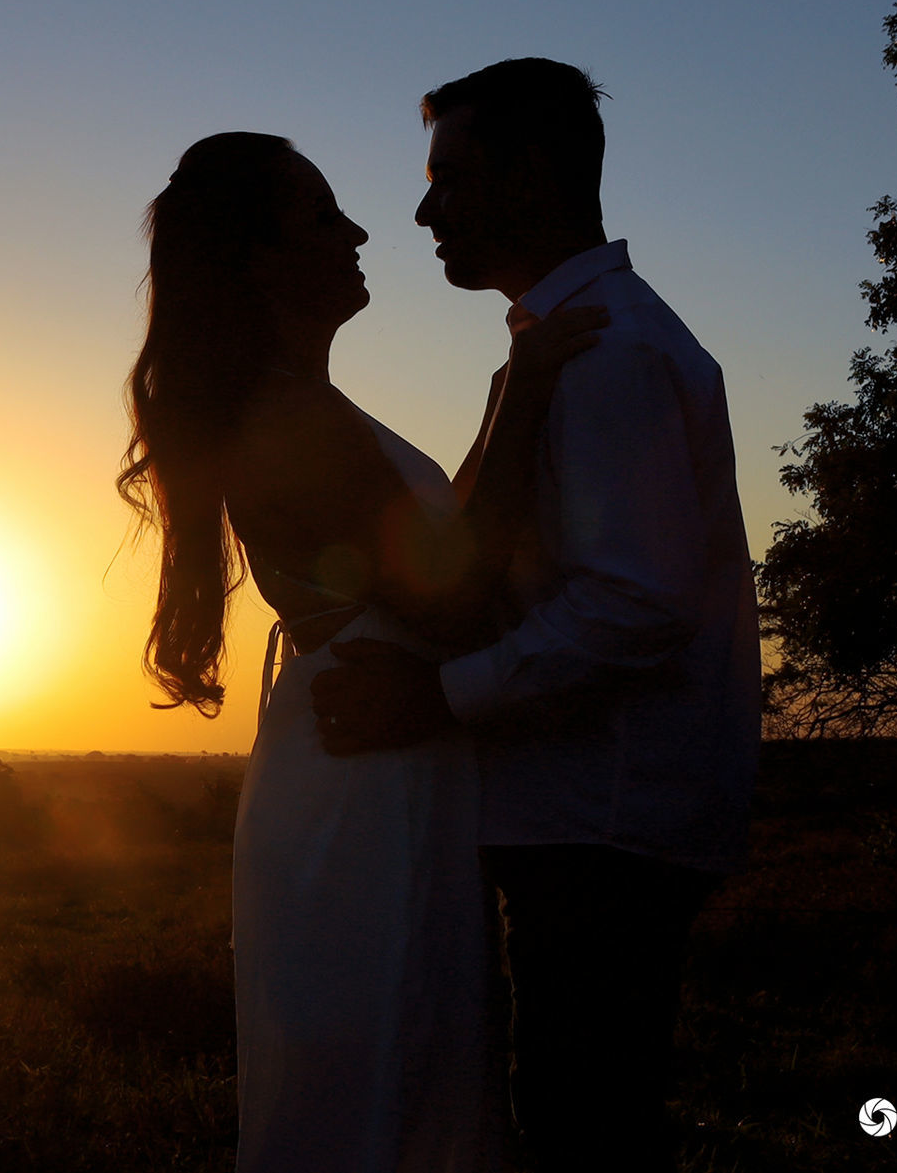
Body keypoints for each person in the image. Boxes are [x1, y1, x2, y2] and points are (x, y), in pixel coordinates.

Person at [118, 131, 604, 1172]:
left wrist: (510, 396)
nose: (360, 233)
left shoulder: (310, 408)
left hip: (379, 759)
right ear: (260, 257)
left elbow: (429, 544)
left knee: (403, 1055)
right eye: (323, 216)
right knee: (383, 1062)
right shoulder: (288, 419)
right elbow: (457, 592)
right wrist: (524, 398)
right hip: (365, 772)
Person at [311, 59, 762, 1172]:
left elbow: (635, 602)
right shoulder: (562, 345)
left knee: (581, 1126)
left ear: (537, 174)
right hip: (580, 815)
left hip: (600, 819)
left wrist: (439, 696)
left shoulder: (607, 352)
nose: (425, 211)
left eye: (452, 179)